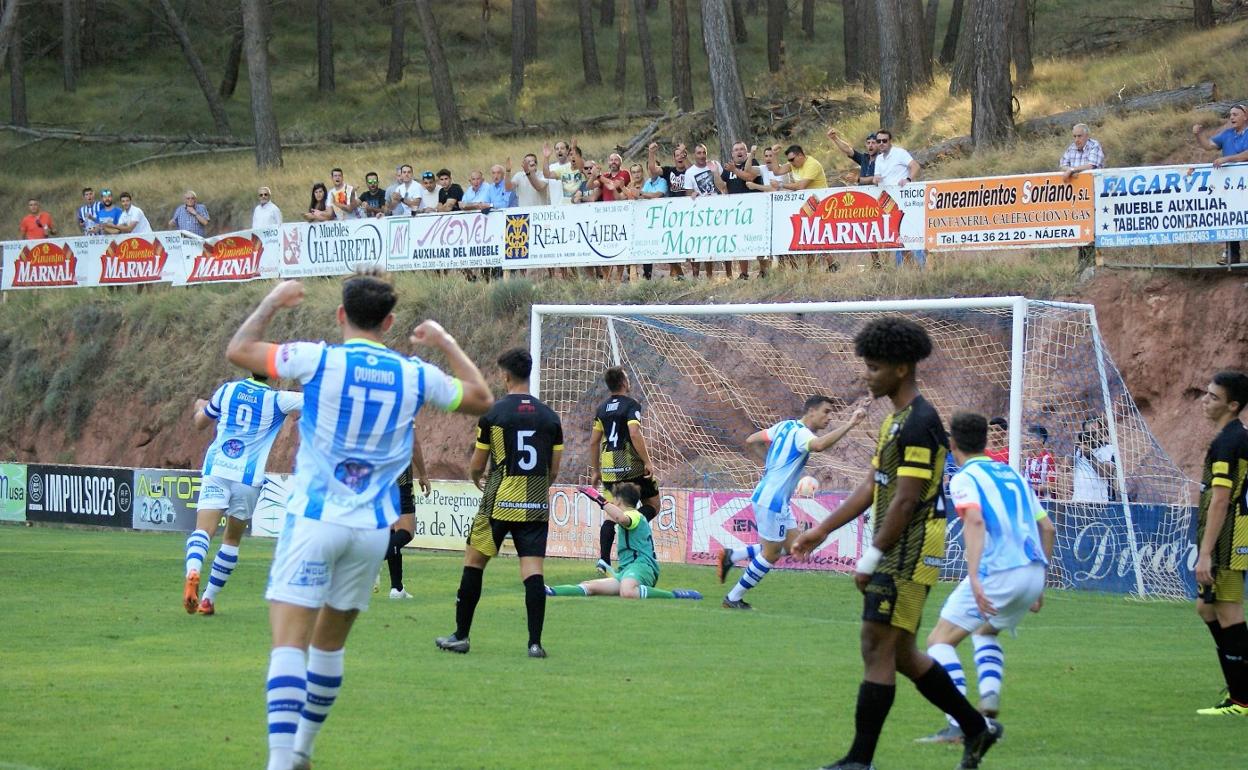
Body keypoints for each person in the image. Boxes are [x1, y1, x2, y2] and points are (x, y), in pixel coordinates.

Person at [224, 272, 493, 770]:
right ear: (390, 322)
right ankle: (302, 751)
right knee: (328, 649)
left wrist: (272, 302)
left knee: (289, 644)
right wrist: (446, 341)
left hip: (314, 518)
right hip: (371, 530)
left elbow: (239, 351)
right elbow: (481, 399)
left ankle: (281, 762)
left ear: (340, 315)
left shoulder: (316, 358)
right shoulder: (413, 374)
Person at [791, 317, 1002, 770]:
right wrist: (822, 529)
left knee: (876, 645)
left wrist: (870, 557)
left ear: (902, 368)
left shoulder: (920, 423)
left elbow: (906, 499)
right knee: (901, 653)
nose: (867, 375)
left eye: (874, 367)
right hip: (899, 547)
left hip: (907, 549)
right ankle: (976, 729)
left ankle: (859, 760)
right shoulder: (896, 421)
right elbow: (874, 485)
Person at [915, 411, 1055, 744]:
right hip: (1033, 570)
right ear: (985, 440)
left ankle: (960, 724)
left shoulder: (965, 477)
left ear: (952, 444)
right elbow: (1047, 527)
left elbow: (974, 522)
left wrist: (975, 576)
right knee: (985, 630)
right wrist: (1041, 581)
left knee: (939, 641)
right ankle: (989, 698)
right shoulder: (1012, 474)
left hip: (999, 572)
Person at [436, 348, 563, 659]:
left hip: (499, 500)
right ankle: (534, 643)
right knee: (533, 571)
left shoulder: (494, 414)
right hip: (534, 501)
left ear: (505, 375)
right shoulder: (550, 417)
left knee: (474, 562)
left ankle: (461, 635)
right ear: (528, 374)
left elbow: (479, 464)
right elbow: (554, 469)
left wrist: (475, 477)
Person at [718, 395, 866, 609]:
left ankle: (734, 555)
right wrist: (851, 423)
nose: (828, 417)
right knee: (771, 554)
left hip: (774, 498)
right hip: (772, 500)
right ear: (811, 411)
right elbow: (819, 445)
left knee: (793, 547)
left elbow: (752, 440)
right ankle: (732, 598)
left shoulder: (785, 426)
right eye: (826, 412)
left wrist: (771, 464)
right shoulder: (801, 434)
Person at [183, 374, 303, 616]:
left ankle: (193, 571)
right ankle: (207, 599)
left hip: (218, 469)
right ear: (273, 376)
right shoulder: (277, 399)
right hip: (247, 479)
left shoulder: (227, 390)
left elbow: (200, 423)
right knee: (231, 540)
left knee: (202, 531)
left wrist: (200, 405)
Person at [1193, 371, 1248, 715]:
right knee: (1207, 608)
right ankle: (1240, 687)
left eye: (1213, 397)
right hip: (1234, 535)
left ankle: (1241, 699)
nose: (1205, 400)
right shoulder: (1237, 437)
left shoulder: (1228, 443)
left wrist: (1206, 553)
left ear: (1233, 405)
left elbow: (1221, 499)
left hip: (1228, 539)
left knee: (1228, 613)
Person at [546, 482, 701, 600]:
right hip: (626, 570)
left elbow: (621, 518)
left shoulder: (635, 515)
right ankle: (550, 590)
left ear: (619, 500)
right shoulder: (631, 514)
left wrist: (600, 500)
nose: (612, 501)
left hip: (643, 567)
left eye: (613, 499)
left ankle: (675, 595)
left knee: (627, 592)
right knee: (590, 586)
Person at [589, 367, 660, 572]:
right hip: (631, 465)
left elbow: (594, 442)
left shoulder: (601, 409)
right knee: (653, 504)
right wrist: (647, 461)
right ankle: (630, 526)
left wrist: (596, 470)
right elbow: (634, 432)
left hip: (610, 466)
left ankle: (604, 559)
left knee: (613, 512)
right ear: (623, 382)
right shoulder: (631, 405)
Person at [1194, 105, 1248, 265]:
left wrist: (1226, 159)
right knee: (1231, 217)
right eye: (1230, 115)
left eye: (1235, 114)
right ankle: (1232, 255)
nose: (1232, 117)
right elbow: (1209, 145)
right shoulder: (1227, 134)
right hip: (1230, 187)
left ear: (1245, 116)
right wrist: (1198, 135)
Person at [380, 438, 431, 600]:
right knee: (406, 532)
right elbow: (414, 442)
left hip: (379, 475)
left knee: (392, 531)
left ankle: (397, 588)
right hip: (399, 475)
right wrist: (423, 474)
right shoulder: (403, 412)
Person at [870, 130, 925, 269]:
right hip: (888, 203)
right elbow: (877, 178)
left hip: (904, 201)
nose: (881, 143)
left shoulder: (900, 153)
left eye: (884, 140)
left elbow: (915, 166)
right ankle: (902, 269)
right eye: (879, 141)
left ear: (890, 141)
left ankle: (921, 266)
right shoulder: (879, 159)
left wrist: (908, 179)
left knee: (911, 233)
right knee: (896, 235)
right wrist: (875, 179)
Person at [721, 141, 764, 280]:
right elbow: (723, 186)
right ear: (732, 154)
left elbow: (749, 177)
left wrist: (735, 170)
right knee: (740, 241)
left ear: (746, 152)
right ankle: (744, 273)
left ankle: (763, 271)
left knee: (757, 240)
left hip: (755, 209)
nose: (739, 152)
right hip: (737, 212)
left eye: (742, 149)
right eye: (736, 150)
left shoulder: (753, 162)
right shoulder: (728, 168)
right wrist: (715, 172)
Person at [647, 141, 690, 279]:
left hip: (689, 211)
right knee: (670, 245)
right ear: (674, 158)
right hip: (673, 213)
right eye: (677, 155)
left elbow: (692, 170)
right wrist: (651, 153)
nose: (680, 157)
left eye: (681, 155)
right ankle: (679, 273)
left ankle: (694, 274)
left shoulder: (691, 169)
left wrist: (686, 155)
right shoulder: (669, 170)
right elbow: (653, 170)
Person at [1072, 416, 1117, 503]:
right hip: (1078, 501)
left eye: (1095, 431)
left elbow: (1106, 473)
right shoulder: (1078, 449)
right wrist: (1076, 446)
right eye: (1089, 433)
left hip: (1100, 502)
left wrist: (1090, 456)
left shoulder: (1109, 448)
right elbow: (1065, 468)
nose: (1092, 436)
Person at [544, 139, 586, 205]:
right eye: (571, 155)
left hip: (581, 204)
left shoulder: (583, 167)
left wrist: (573, 148)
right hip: (565, 205)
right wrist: (546, 158)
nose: (573, 157)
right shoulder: (563, 169)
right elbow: (547, 175)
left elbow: (582, 164)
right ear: (568, 156)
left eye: (574, 155)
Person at [1022, 425, 1056, 500]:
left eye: (1031, 438)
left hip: (1046, 503)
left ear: (1041, 440)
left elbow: (1052, 486)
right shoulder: (1028, 460)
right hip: (1031, 502)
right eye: (1028, 437)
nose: (1028, 441)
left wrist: (1034, 487)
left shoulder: (1048, 459)